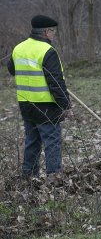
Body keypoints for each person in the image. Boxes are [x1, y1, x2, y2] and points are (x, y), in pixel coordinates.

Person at [7, 15, 72, 179]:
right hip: (46, 106)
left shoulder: (19, 48)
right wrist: (65, 105)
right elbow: (55, 82)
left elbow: (12, 70)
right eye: (52, 31)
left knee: (32, 141)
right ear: (45, 32)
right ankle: (54, 179)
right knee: (52, 142)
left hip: (26, 104)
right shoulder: (48, 51)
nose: (53, 34)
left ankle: (28, 177)